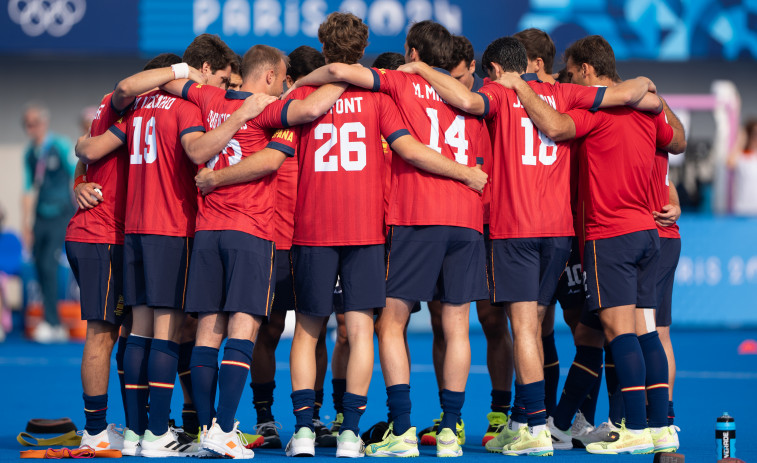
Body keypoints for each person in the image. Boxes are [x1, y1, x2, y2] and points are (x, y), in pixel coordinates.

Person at [397, 35, 661, 457]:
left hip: (516, 227)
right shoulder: (566, 92)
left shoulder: (497, 93)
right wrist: (648, 83)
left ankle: (535, 425)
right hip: (559, 231)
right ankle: (523, 419)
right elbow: (636, 92)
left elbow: (465, 102)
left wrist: (422, 70)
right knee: (535, 327)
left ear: (498, 70)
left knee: (523, 329)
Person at [291, 19, 491, 458]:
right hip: (464, 218)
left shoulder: (396, 84)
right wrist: (469, 177)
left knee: (387, 324)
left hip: (415, 216)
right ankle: (451, 431)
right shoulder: (472, 101)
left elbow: (342, 74)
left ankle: (399, 426)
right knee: (456, 326)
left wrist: (300, 82)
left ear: (413, 53)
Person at [498, 34, 685, 454]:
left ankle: (630, 425)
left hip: (608, 235)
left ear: (585, 71)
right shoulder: (647, 115)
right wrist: (651, 91)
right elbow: (676, 141)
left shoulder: (596, 116)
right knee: (646, 332)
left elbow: (554, 125)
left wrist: (519, 85)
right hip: (648, 234)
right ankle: (660, 425)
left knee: (615, 334)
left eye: (571, 71)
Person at [418, 33, 512, 449]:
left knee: (493, 321)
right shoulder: (433, 98)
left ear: (473, 68)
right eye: (446, 78)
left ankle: (500, 412)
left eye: (458, 77)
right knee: (442, 321)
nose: (451, 87)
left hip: (491, 223)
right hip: (450, 221)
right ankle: (449, 417)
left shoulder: (493, 101)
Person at [22, 102, 76, 343]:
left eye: (33, 123)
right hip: (40, 217)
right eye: (26, 124)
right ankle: (49, 318)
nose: (30, 128)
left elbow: (76, 173)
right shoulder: (29, 154)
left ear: (44, 123)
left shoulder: (60, 145)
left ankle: (54, 323)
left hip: (60, 214)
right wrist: (26, 223)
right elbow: (27, 188)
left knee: (49, 265)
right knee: (38, 266)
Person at [728, 119, 757, 215]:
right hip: (743, 209)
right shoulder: (742, 156)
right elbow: (729, 163)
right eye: (754, 134)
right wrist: (741, 139)